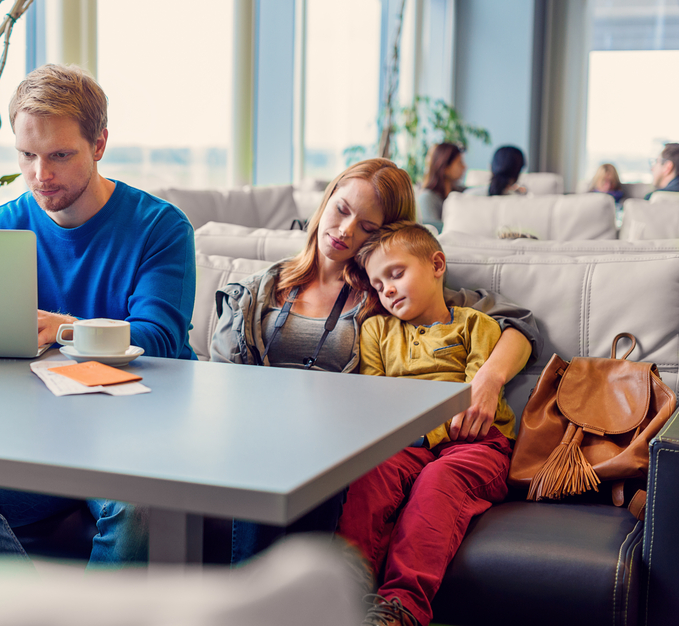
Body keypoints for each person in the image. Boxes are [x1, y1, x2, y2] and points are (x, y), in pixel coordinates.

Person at [0, 64, 197, 568]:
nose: (41, 175)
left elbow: (161, 339)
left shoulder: (160, 228)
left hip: (131, 433)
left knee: (139, 509)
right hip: (32, 434)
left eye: (61, 155)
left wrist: (63, 327)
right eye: (27, 155)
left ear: (100, 144)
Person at [210, 159, 538, 568]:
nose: (346, 230)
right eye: (342, 209)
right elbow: (220, 381)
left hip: (331, 447)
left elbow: (518, 324)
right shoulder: (257, 291)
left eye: (367, 227)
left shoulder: (391, 298)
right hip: (259, 435)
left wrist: (487, 380)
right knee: (265, 460)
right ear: (327, 199)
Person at [341, 221, 518, 626]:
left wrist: (424, 432)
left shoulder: (477, 325)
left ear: (437, 264)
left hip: (476, 444)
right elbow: (376, 395)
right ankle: (344, 593)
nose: (387, 289)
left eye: (397, 273)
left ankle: (401, 608)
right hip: (402, 442)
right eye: (378, 283)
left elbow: (471, 400)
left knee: (438, 480)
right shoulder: (376, 330)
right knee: (370, 474)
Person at [416, 142, 465, 232]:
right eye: (459, 163)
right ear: (445, 167)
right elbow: (433, 231)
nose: (464, 166)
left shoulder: (460, 192)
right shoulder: (427, 198)